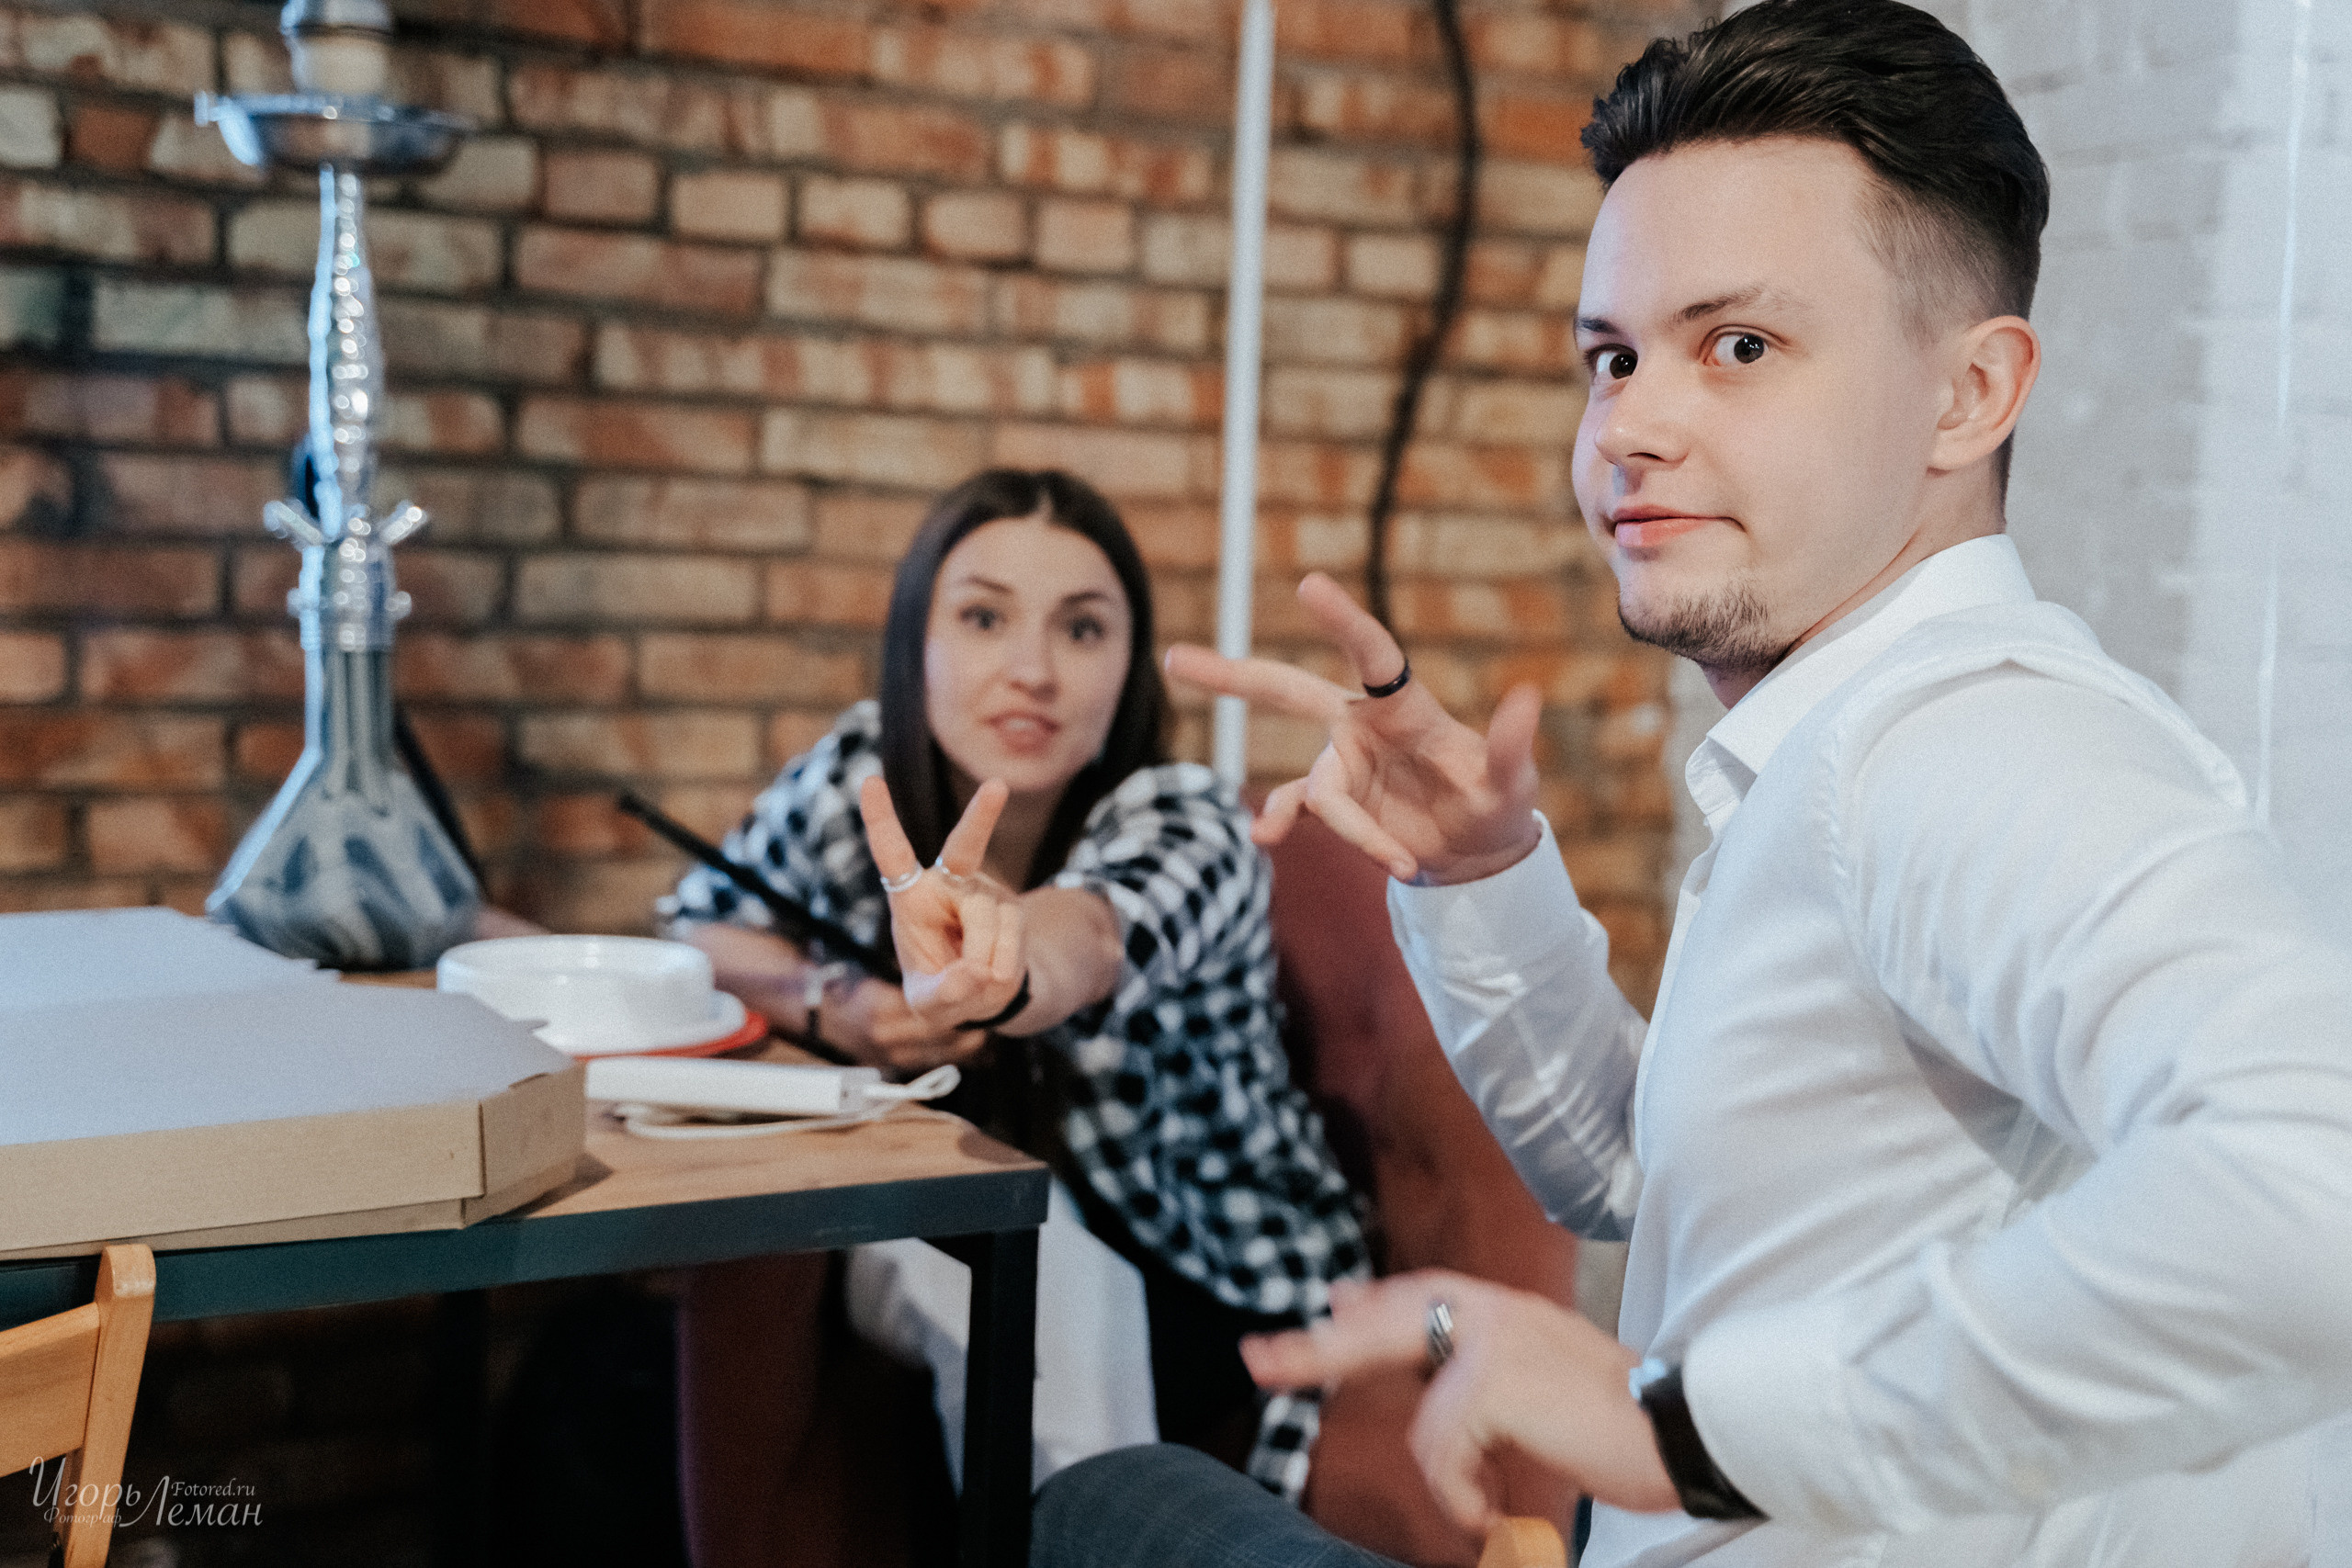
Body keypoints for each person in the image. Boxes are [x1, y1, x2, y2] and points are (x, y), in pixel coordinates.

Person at [1023, 3, 2352, 1566]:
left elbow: (2313, 1186)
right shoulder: (1831, 747)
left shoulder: (1966, 740)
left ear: (1969, 395)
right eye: (1612, 356)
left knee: (1101, 1509)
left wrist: (1691, 1431)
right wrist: (1480, 873)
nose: (1628, 428)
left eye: (1740, 347)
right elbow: (1658, 1182)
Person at [662, 468, 1369, 1565]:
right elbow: (696, 930)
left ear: (1128, 667)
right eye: (984, 617)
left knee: (1037, 1267)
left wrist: (1000, 953)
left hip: (1208, 1271)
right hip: (979, 1217)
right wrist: (837, 1003)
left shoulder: (1184, 818)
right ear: (917, 644)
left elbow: (1085, 939)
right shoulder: (864, 776)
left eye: (1082, 629)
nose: (1030, 670)